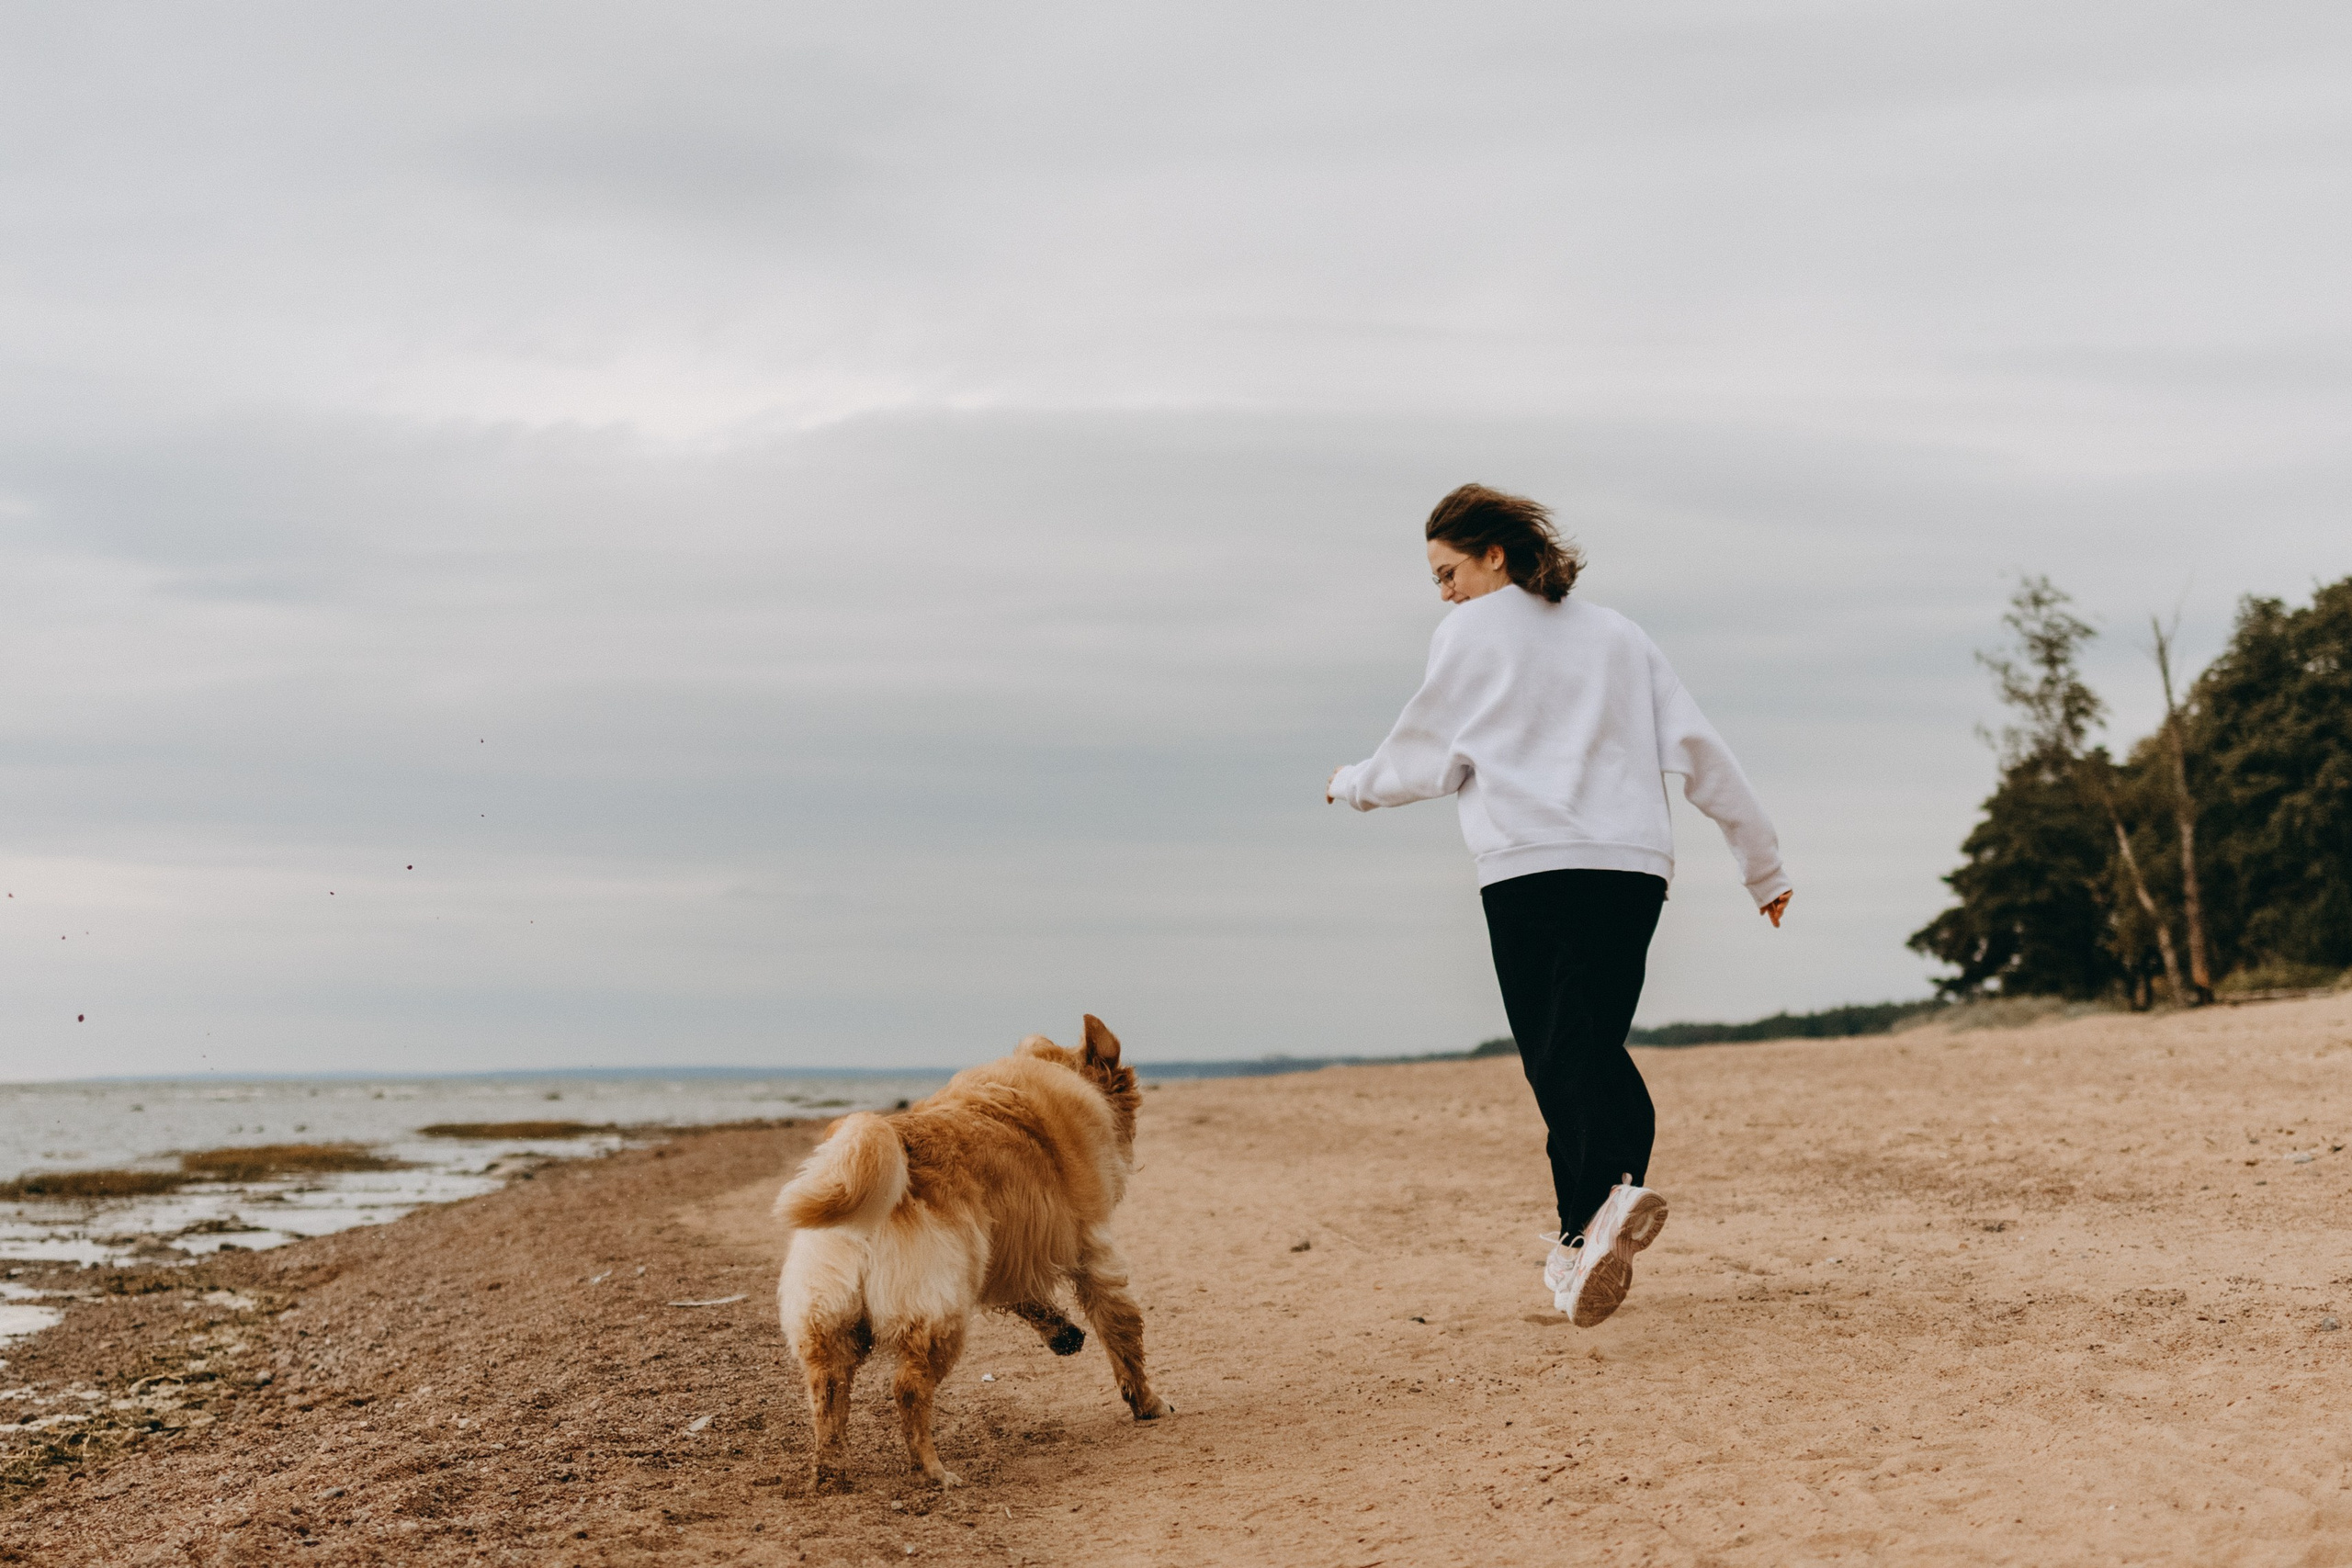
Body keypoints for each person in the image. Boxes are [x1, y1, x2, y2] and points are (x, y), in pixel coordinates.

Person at [1325, 483, 1792, 1326]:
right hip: (1632, 872)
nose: (1445, 593)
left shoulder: (1469, 631)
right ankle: (1584, 1237)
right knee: (1586, 1044)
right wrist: (1763, 868)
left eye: (1448, 571)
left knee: (1558, 1054)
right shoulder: (1621, 636)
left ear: (1494, 554)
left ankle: (1607, 1206)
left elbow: (1431, 755)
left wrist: (1351, 785)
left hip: (1531, 871)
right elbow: (1699, 747)